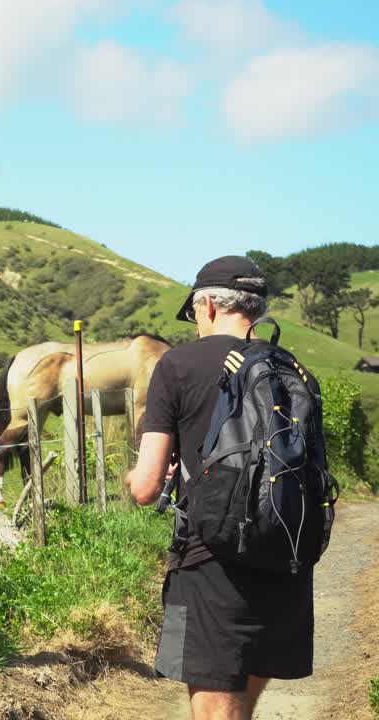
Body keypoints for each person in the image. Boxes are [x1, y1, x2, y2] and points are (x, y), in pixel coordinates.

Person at [125, 255, 313, 720]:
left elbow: (146, 487)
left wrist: (136, 475)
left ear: (207, 304)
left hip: (211, 561)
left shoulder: (177, 365)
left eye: (192, 314)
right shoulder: (292, 368)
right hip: (286, 552)